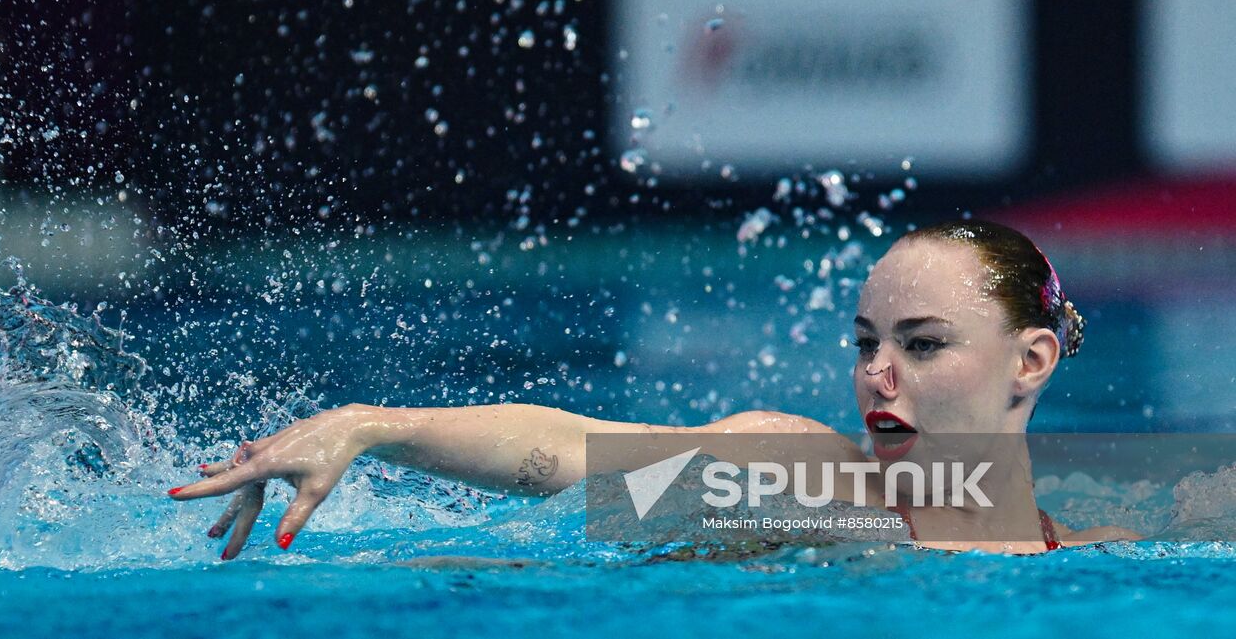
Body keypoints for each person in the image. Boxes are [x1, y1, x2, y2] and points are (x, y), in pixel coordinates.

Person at [168, 219, 1140, 558]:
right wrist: (367, 426)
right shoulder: (808, 476)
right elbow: (569, 453)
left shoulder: (1100, 550)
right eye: (862, 341)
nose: (874, 374)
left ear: (1031, 361)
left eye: (920, 344)